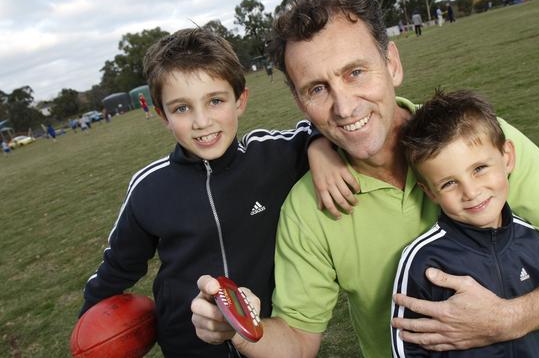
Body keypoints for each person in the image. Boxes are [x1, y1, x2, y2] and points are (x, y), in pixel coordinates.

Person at [190, 0, 539, 357]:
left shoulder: (477, 147)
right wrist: (239, 328)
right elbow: (298, 342)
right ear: (299, 101)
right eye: (318, 88)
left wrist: (510, 318)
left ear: (392, 64)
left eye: (356, 72)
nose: (345, 107)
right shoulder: (309, 209)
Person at [79, 28, 356, 357]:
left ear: (240, 101)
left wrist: (319, 148)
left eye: (215, 101)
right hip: (187, 347)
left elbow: (318, 125)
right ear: (162, 115)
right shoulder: (148, 189)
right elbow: (117, 269)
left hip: (268, 339)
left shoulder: (272, 157)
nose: (201, 121)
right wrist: (88, 325)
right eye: (181, 108)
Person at [391, 90, 539, 357]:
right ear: (430, 192)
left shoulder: (535, 242)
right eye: (449, 183)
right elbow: (407, 348)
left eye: (479, 168)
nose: (470, 192)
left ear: (507, 157)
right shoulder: (425, 261)